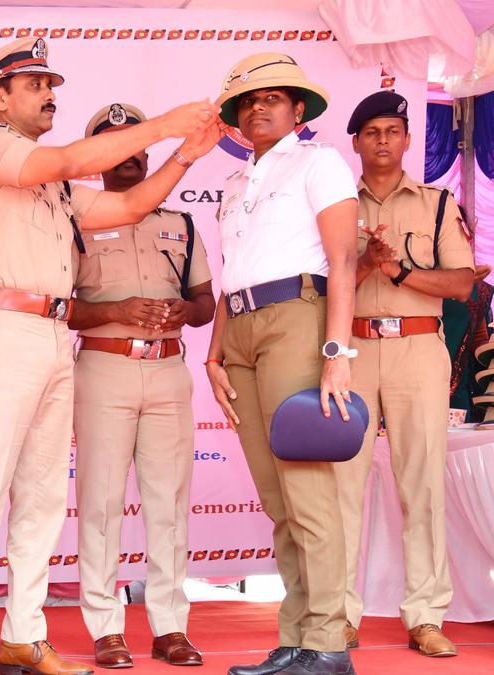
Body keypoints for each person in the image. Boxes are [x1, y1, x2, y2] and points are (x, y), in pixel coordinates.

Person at [0, 36, 221, 675]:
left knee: (40, 496)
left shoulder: (58, 186)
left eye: (51, 84)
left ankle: (22, 635)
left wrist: (183, 154)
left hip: (54, 337)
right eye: (36, 84)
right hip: (5, 328)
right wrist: (163, 123)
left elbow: (127, 204)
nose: (50, 94)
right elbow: (66, 159)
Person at [203, 53, 359, 675]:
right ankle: (296, 640)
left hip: (298, 317)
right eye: (246, 100)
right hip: (237, 331)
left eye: (273, 97)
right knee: (277, 498)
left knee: (308, 490)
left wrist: (336, 353)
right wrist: (214, 349)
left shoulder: (320, 162)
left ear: (299, 110)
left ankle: (327, 643)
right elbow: (231, 273)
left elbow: (344, 260)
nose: (258, 107)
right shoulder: (236, 183)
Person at [68, 103, 216, 669]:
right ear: (97, 158)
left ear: (149, 151)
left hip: (167, 369)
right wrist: (119, 307)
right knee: (101, 502)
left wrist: (185, 309)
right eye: (115, 143)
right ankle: (105, 627)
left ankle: (170, 625)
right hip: (103, 368)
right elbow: (64, 308)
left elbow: (206, 302)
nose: (129, 153)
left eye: (136, 142)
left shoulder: (179, 223)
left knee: (169, 503)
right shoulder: (75, 221)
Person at [336, 89, 474, 658]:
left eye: (393, 131)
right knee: (341, 487)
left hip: (418, 349)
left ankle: (425, 616)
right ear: (356, 142)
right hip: (352, 349)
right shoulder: (336, 202)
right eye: (372, 132)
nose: (383, 141)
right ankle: (338, 617)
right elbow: (318, 281)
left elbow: (462, 284)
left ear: (409, 139)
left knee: (422, 483)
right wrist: (360, 263)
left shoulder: (438, 204)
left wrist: (396, 270)